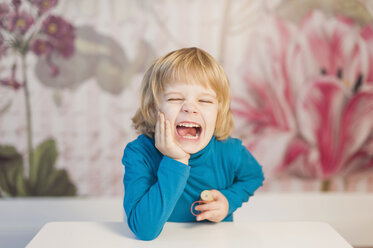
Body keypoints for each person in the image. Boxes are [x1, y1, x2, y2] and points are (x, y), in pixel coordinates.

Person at [122, 47, 264, 241]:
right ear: (154, 108)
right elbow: (144, 230)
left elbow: (254, 176)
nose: (190, 108)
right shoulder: (139, 154)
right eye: (175, 98)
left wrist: (228, 200)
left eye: (204, 100)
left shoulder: (230, 151)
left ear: (218, 111)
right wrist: (176, 160)